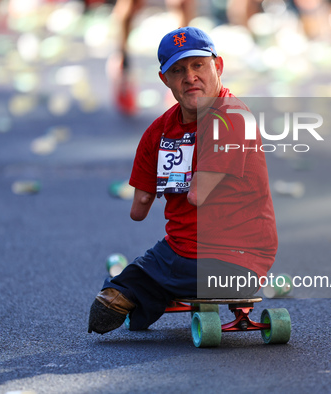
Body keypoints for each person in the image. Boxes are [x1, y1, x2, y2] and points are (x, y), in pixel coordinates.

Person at [88, 26, 278, 335]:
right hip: (200, 255)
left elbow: (165, 201)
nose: (189, 76)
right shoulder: (164, 130)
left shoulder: (216, 121)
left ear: (218, 66)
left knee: (123, 288)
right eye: (178, 70)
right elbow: (141, 209)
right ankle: (143, 289)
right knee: (135, 285)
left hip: (232, 258)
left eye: (197, 65)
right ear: (165, 80)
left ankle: (138, 291)